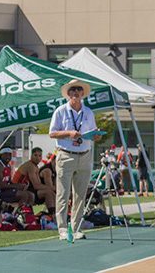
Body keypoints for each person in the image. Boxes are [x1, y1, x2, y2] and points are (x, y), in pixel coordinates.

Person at [49, 79, 98, 242]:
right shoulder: (60, 111)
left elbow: (93, 132)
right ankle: (63, 229)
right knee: (63, 194)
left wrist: (96, 135)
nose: (76, 92)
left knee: (80, 195)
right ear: (68, 94)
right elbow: (52, 133)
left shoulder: (89, 112)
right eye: (72, 90)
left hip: (85, 154)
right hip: (66, 154)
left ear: (83, 93)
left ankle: (76, 228)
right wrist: (69, 133)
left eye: (79, 90)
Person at [13, 147, 55, 213]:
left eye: (40, 155)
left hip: (27, 189)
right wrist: (52, 188)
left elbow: (38, 185)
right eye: (35, 155)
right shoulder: (30, 166)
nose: (37, 158)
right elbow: (36, 186)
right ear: (31, 156)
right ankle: (53, 215)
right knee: (49, 192)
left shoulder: (36, 166)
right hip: (19, 189)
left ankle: (54, 214)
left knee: (51, 192)